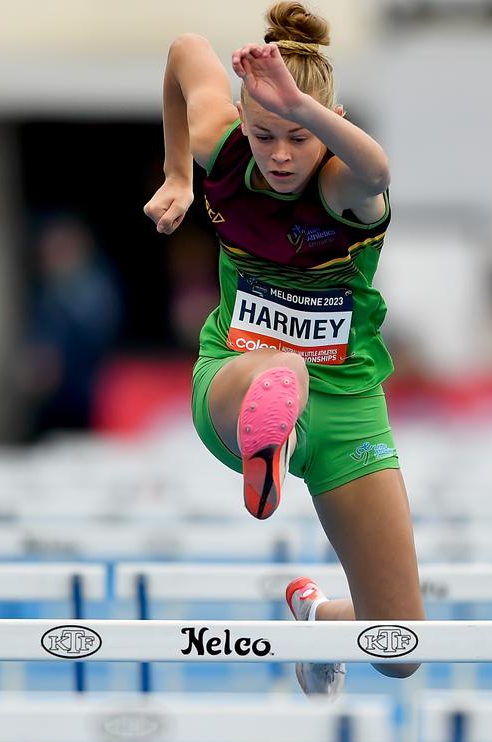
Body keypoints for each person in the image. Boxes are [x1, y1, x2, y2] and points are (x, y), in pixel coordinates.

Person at [144, 1, 425, 695]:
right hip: (236, 382)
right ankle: (270, 432)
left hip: (348, 401)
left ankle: (321, 619)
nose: (277, 155)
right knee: (280, 369)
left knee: (401, 646)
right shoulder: (225, 142)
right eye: (264, 133)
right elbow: (185, 51)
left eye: (298, 138)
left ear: (326, 130)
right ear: (243, 119)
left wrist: (299, 105)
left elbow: (379, 167)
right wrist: (180, 171)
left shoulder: (345, 186)